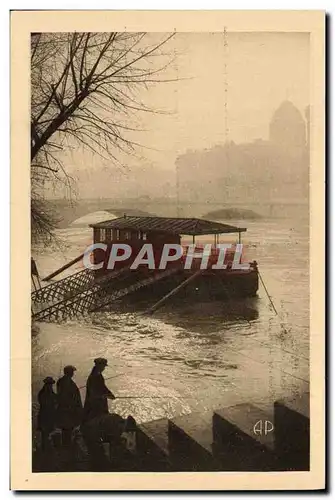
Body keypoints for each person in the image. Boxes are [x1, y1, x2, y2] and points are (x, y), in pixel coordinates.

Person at [82, 358, 115, 424]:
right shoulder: (94, 376)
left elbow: (103, 387)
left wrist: (110, 394)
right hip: (95, 406)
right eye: (103, 366)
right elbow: (93, 393)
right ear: (99, 366)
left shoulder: (98, 375)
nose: (104, 368)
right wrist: (103, 395)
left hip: (100, 404)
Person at [56, 365, 83, 446]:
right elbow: (66, 396)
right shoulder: (67, 382)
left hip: (65, 409)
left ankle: (66, 444)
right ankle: (66, 445)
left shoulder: (61, 381)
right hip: (68, 410)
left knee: (66, 428)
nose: (73, 374)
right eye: (72, 372)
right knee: (67, 428)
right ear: (69, 372)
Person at [37, 377, 58, 451]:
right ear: (46, 384)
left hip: (49, 415)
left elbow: (55, 398)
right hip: (45, 415)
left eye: (51, 384)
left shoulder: (50, 392)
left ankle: (46, 447)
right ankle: (44, 448)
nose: (51, 386)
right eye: (50, 384)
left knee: (48, 431)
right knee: (44, 432)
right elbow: (45, 403)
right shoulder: (43, 393)